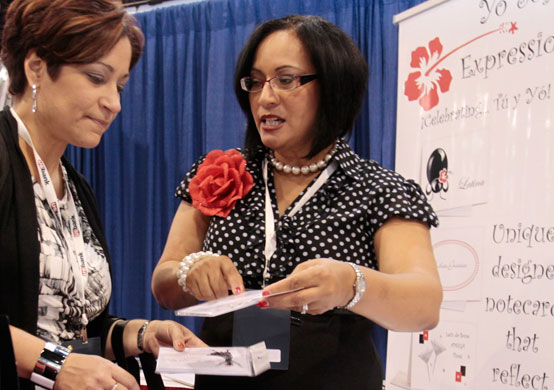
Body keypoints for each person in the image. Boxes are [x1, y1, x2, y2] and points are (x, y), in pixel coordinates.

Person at [152, 15, 442, 390]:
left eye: (286, 80)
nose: (265, 97)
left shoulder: (378, 189)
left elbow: (424, 305)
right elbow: (163, 284)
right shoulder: (220, 172)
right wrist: (189, 271)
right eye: (255, 83)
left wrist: (351, 284)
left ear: (334, 85)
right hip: (224, 378)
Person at [0, 1, 207, 389]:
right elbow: (55, 354)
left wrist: (141, 334)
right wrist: (52, 365)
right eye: (97, 77)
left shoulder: (76, 187)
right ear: (36, 67)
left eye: (120, 85)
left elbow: (79, 327)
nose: (115, 103)